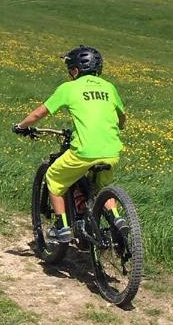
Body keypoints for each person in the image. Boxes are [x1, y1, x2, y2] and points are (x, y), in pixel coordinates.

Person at [13, 45, 127, 242]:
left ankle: (62, 228)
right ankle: (118, 220)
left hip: (84, 151)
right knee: (102, 186)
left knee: (54, 178)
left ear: (75, 70)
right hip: (112, 151)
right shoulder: (109, 87)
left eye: (70, 70)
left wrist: (21, 126)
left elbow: (40, 113)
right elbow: (122, 118)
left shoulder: (69, 88)